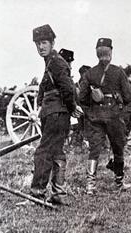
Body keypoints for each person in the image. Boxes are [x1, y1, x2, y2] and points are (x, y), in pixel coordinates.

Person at [28, 24, 83, 205]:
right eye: (37, 44)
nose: (40, 47)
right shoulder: (51, 62)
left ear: (52, 43)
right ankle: (58, 193)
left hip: (56, 114)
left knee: (43, 153)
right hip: (55, 114)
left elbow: (67, 87)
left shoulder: (57, 62)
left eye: (44, 43)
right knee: (57, 152)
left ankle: (37, 193)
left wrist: (71, 105)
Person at [78, 38, 131, 194]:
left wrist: (90, 113)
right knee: (118, 149)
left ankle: (90, 186)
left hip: (96, 117)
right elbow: (129, 98)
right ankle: (118, 183)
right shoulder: (118, 72)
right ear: (111, 52)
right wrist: (123, 116)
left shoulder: (89, 73)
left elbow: (81, 99)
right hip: (114, 116)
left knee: (94, 150)